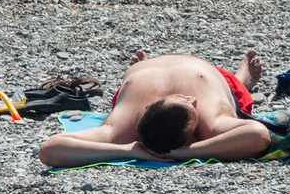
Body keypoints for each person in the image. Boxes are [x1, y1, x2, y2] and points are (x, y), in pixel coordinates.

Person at [37, 49, 271, 168]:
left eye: (184, 99)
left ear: (148, 106)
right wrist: (188, 153)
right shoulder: (211, 125)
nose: (192, 98)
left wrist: (128, 150)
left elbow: (51, 149)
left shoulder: (118, 131)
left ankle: (242, 81)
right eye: (189, 102)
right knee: (233, 103)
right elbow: (258, 135)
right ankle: (241, 82)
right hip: (204, 73)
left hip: (146, 76)